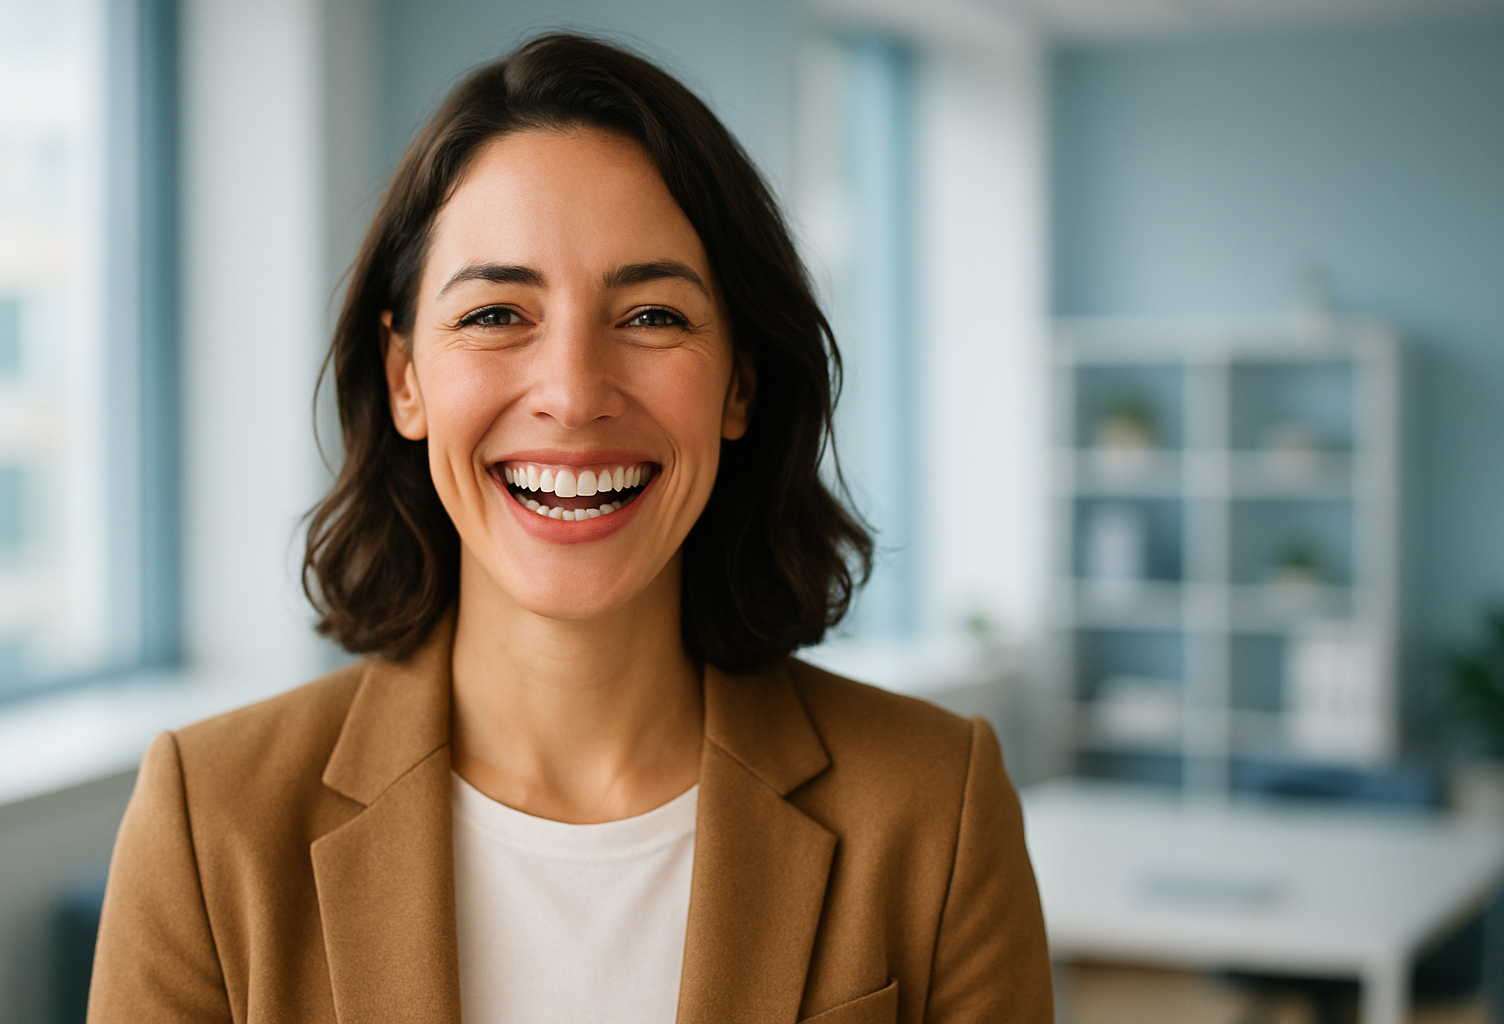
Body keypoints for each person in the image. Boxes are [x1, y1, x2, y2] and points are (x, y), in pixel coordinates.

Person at [88, 33, 1051, 1024]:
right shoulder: (209, 820)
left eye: (651, 316)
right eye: (498, 314)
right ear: (404, 376)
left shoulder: (938, 805)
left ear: (742, 381)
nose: (574, 393)